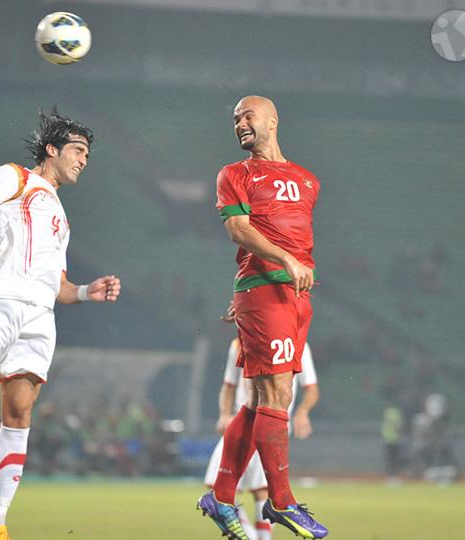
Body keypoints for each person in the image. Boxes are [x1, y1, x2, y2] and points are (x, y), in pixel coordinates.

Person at [0, 109, 121, 540]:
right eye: (78, 151)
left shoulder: (61, 217)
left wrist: (85, 292)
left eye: (87, 154)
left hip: (40, 315)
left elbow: (57, 285)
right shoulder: (15, 178)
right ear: (52, 149)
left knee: (20, 413)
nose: (83, 160)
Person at [197, 95, 328, 540]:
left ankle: (221, 494)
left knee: (264, 400)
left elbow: (295, 233)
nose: (239, 124)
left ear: (273, 120)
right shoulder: (235, 174)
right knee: (273, 394)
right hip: (265, 289)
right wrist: (282, 261)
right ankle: (282, 499)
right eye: (235, 119)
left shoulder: (308, 181)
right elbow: (239, 229)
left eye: (247, 116)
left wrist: (294, 268)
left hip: (295, 296)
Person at [204, 333, 319, 540]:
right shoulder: (239, 344)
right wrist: (224, 414)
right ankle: (249, 534)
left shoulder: (299, 344)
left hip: (270, 427)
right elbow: (229, 385)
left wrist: (302, 411)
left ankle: (258, 537)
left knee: (261, 491)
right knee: (220, 487)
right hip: (242, 425)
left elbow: (311, 387)